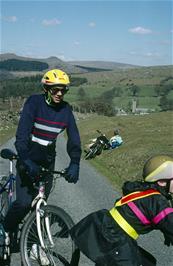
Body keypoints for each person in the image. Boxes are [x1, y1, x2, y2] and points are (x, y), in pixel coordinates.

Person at [1, 69, 81, 260]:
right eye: (55, 89)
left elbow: (74, 138)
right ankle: (5, 227)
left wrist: (75, 162)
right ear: (46, 89)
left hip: (47, 161)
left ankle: (35, 245)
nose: (60, 93)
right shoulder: (34, 103)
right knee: (22, 203)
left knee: (40, 205)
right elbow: (21, 137)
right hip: (28, 157)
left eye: (63, 90)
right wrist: (26, 160)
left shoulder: (66, 110)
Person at [70, 154, 173, 266]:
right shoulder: (157, 201)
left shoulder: (144, 191)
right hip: (114, 237)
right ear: (162, 182)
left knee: (148, 262)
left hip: (106, 226)